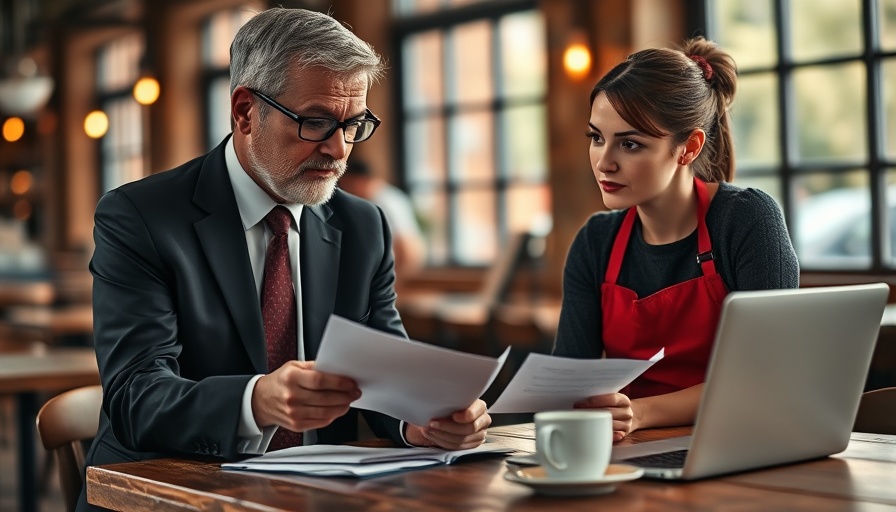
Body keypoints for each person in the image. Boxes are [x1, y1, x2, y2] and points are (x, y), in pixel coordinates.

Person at [79, 8, 490, 510]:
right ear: (245, 112)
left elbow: (383, 375)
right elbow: (135, 397)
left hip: (320, 496)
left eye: (353, 124)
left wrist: (419, 420)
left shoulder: (363, 227)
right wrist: (257, 400)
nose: (339, 149)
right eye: (316, 122)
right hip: (171, 493)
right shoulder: (139, 216)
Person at [552, 37, 799, 442]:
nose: (604, 161)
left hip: (741, 444)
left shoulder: (747, 220)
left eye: (630, 144)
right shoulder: (595, 242)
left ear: (688, 148)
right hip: (630, 453)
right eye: (597, 137)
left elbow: (766, 376)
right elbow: (568, 383)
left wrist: (640, 412)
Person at [339, 159, 426, 288]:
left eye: (348, 185)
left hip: (397, 274)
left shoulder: (385, 201)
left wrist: (392, 283)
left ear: (359, 180)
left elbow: (407, 248)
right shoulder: (380, 198)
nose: (346, 191)